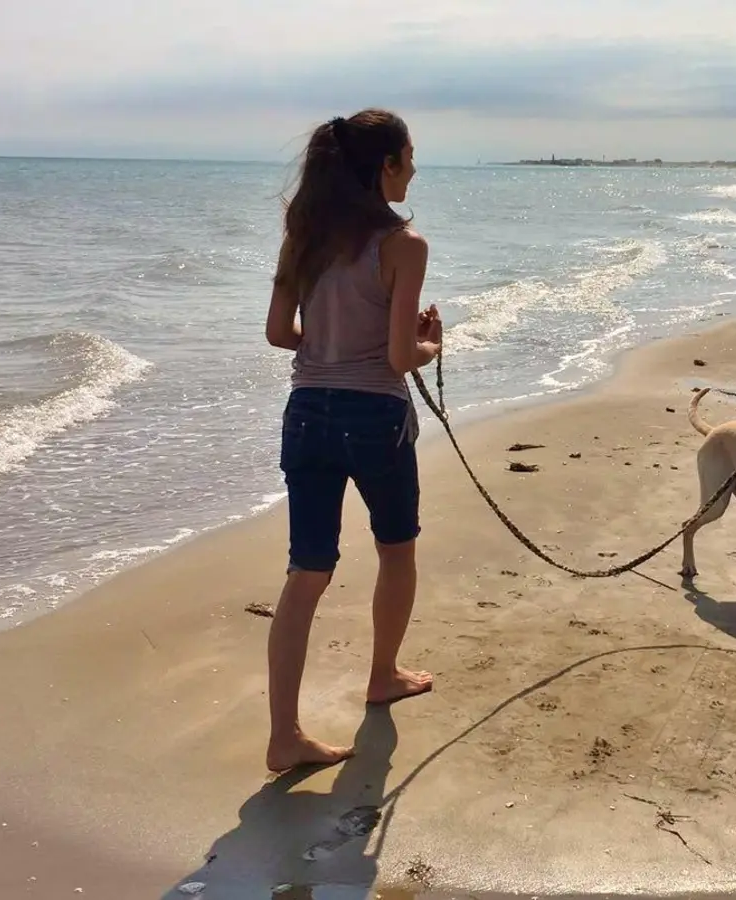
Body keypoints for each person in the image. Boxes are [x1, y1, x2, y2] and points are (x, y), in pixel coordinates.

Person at [263, 108, 441, 773]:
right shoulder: (404, 245)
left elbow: (279, 333)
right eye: (409, 159)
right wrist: (430, 344)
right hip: (374, 418)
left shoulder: (303, 237)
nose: (413, 170)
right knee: (396, 550)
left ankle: (284, 736)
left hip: (307, 411)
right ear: (386, 166)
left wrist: (333, 344)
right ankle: (383, 674)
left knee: (306, 572)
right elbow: (398, 357)